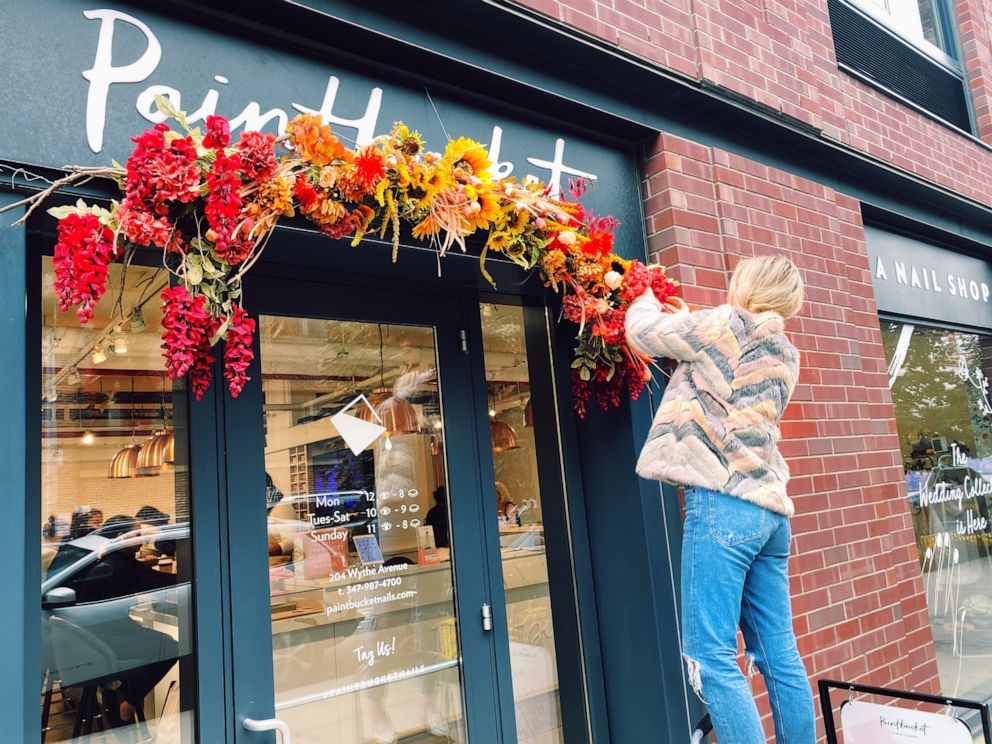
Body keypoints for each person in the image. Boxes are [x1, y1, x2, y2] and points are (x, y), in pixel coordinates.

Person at [625, 255, 813, 744]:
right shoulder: (787, 355)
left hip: (724, 506)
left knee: (709, 656)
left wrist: (640, 293)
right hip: (770, 513)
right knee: (779, 652)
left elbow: (644, 333)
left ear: (746, 285)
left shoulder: (725, 325)